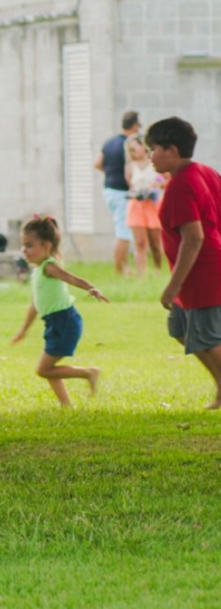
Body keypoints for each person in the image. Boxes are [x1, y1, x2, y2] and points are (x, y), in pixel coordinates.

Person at [146, 117, 221, 409]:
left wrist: (172, 286)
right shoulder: (207, 172)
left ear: (171, 150)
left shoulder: (182, 185)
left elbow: (193, 238)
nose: (150, 156)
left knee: (208, 338)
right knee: (180, 329)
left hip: (201, 273)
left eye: (153, 149)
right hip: (197, 272)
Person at [11, 216, 107, 407]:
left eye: (30, 245)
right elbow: (35, 304)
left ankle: (89, 373)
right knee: (49, 369)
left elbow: (70, 278)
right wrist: (23, 330)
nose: (24, 250)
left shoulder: (49, 267)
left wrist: (90, 287)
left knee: (44, 370)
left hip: (65, 322)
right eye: (23, 245)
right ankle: (66, 405)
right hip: (56, 323)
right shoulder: (38, 271)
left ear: (46, 246)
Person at [94, 111, 141, 275]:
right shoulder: (128, 145)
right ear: (134, 125)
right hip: (122, 191)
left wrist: (110, 173)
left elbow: (98, 163)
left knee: (121, 229)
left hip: (108, 189)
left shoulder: (109, 142)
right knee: (124, 232)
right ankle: (118, 270)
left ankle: (125, 267)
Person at [125, 134, 165, 276]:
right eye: (131, 149)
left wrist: (157, 186)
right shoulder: (130, 167)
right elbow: (130, 185)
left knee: (155, 243)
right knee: (140, 242)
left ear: (144, 147)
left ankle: (157, 270)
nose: (133, 151)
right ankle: (141, 276)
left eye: (135, 147)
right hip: (136, 206)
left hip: (153, 205)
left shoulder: (154, 164)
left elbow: (167, 180)